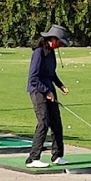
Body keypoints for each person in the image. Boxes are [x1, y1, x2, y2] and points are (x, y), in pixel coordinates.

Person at [24, 25, 71, 169]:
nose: (60, 45)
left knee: (56, 123)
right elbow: (33, 78)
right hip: (38, 91)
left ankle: (57, 155)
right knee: (43, 122)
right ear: (52, 39)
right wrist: (46, 91)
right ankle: (33, 158)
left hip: (48, 88)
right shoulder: (38, 53)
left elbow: (51, 73)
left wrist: (60, 85)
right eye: (60, 42)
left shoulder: (50, 53)